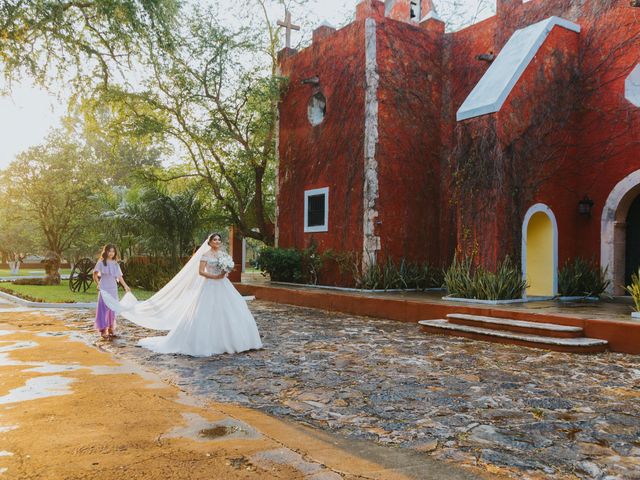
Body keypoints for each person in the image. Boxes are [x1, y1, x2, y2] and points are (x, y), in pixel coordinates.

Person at [99, 234, 263, 356]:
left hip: (223, 285)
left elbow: (225, 269)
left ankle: (238, 340)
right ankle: (206, 343)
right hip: (210, 285)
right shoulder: (205, 255)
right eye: (215, 240)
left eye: (219, 240)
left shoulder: (223, 256)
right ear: (209, 242)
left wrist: (225, 273)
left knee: (233, 309)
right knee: (205, 313)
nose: (217, 242)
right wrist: (214, 277)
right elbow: (200, 272)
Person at [93, 244, 131, 339]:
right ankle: (103, 330)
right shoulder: (101, 262)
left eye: (113, 251)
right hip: (104, 288)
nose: (111, 253)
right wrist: (98, 284)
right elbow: (95, 274)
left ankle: (110, 328)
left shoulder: (115, 264)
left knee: (112, 309)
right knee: (103, 309)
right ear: (106, 251)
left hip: (113, 288)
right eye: (109, 251)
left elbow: (119, 276)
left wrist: (125, 286)